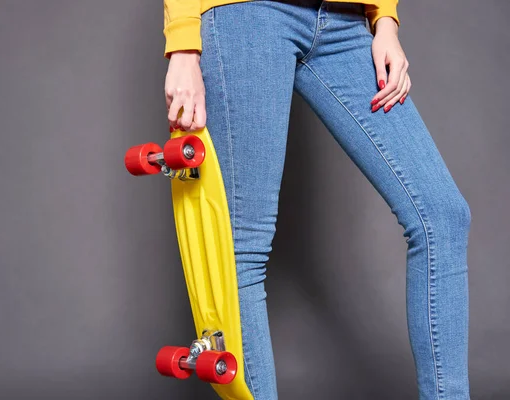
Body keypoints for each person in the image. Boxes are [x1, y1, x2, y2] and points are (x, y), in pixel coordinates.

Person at [162, 0, 472, 398]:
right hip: (249, 13)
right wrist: (183, 44)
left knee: (442, 216)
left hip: (344, 19)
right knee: (241, 249)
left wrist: (386, 21)